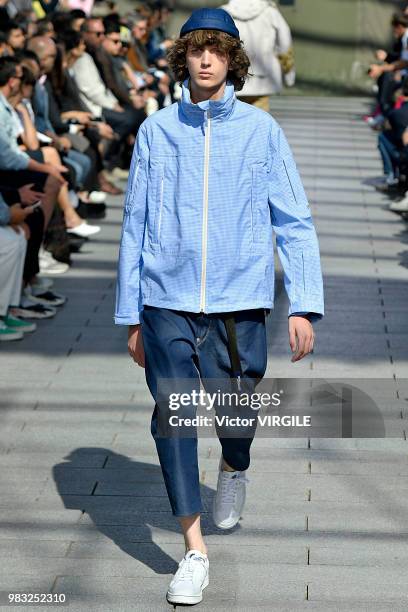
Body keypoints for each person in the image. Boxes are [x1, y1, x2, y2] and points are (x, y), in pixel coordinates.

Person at [114, 8, 324, 606]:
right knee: (173, 413)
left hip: (239, 304)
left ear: (234, 59)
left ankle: (234, 466)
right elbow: (136, 223)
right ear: (184, 58)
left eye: (218, 50)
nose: (206, 59)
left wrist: (303, 304)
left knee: (236, 416)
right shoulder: (156, 130)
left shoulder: (261, 133)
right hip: (167, 300)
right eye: (197, 50)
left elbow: (294, 219)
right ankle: (193, 550)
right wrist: (132, 312)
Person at [221, 0, 295, 111]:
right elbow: (284, 44)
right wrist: (289, 76)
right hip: (263, 82)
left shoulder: (223, 13)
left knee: (233, 122)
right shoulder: (270, 12)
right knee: (261, 123)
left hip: (231, 81)